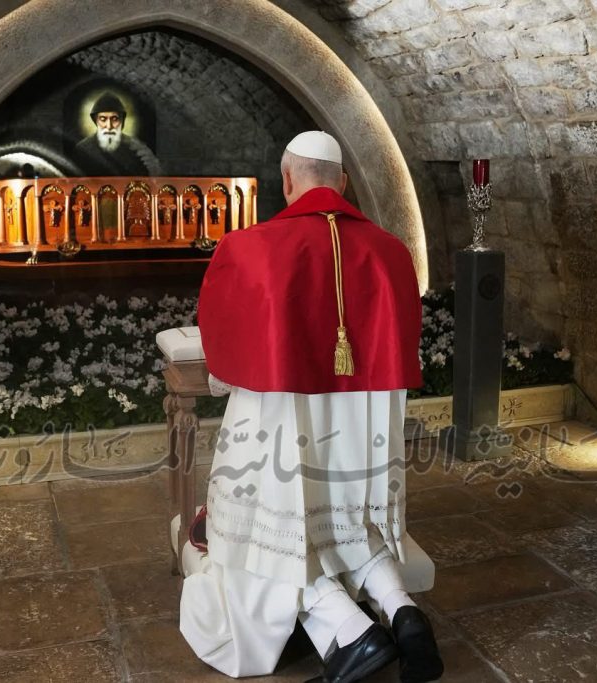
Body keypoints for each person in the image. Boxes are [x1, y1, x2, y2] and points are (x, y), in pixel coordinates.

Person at [181, 131, 444, 682]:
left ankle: (350, 631)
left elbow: (221, 345)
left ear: (286, 180)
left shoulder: (248, 248)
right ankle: (403, 610)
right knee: (346, 521)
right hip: (362, 430)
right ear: (343, 182)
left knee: (261, 527)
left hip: (280, 423)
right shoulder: (392, 252)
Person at [73, 93, 161, 176]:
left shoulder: (136, 148)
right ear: (96, 121)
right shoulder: (82, 149)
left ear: (122, 121)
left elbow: (154, 175)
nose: (109, 126)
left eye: (114, 119)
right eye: (103, 119)